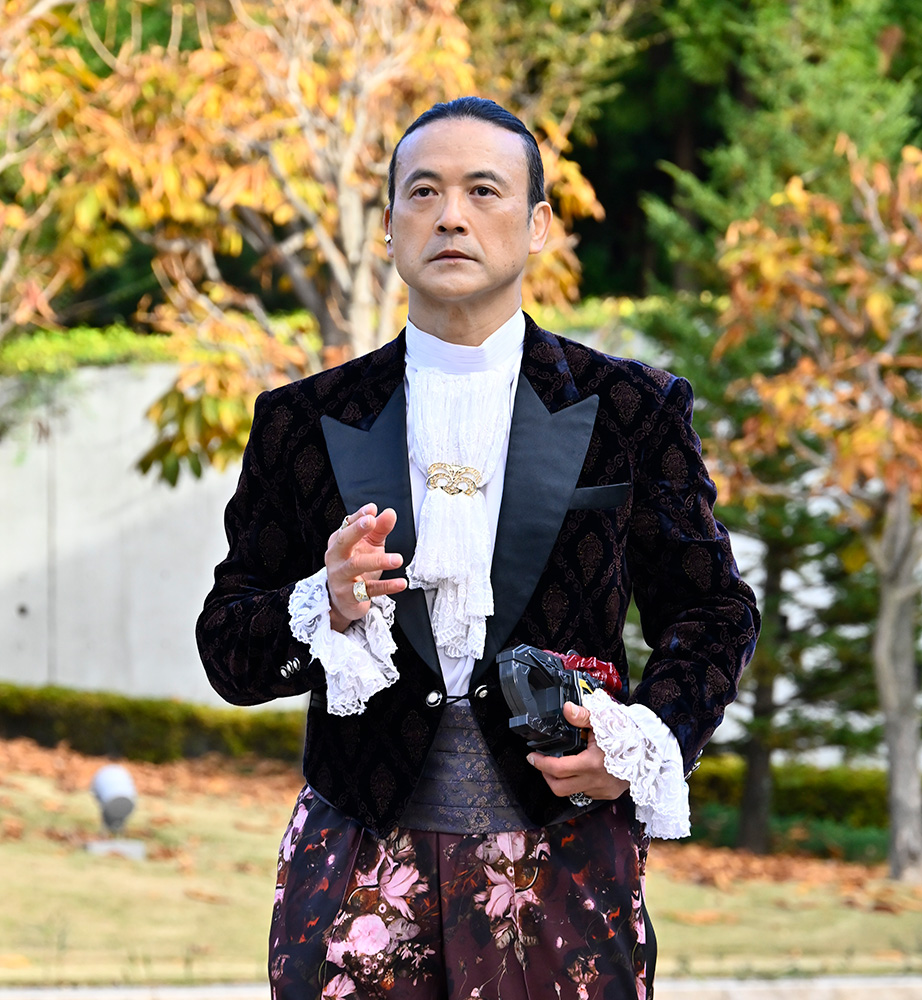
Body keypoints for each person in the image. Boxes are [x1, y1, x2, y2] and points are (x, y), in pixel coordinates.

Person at [196, 96, 760, 1000]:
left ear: (537, 225)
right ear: (388, 227)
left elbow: (714, 609)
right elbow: (228, 646)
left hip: (566, 862)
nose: (451, 215)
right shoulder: (302, 419)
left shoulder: (633, 409)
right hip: (355, 867)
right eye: (423, 192)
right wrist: (325, 603)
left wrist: (643, 740)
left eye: (483, 191)